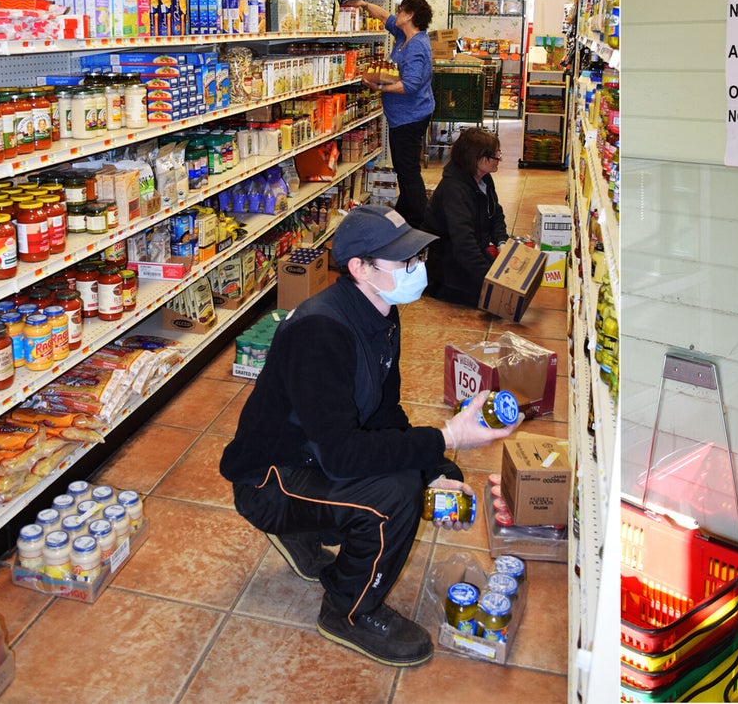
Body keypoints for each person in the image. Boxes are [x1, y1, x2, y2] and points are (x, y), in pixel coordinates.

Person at [219, 205, 519, 666]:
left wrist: (437, 468)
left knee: (411, 471)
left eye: (416, 258)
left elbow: (383, 411)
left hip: (310, 456)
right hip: (267, 480)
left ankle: (304, 531)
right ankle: (348, 612)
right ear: (359, 268)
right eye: (404, 261)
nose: (417, 270)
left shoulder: (381, 311)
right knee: (394, 496)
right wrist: (446, 437)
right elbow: (342, 456)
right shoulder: (321, 331)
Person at [347, 0, 435, 227]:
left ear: (410, 16)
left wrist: (380, 86)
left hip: (410, 118)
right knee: (404, 170)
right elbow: (384, 16)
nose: (397, 13)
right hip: (404, 117)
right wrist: (364, 5)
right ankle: (404, 219)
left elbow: (411, 85)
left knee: (408, 173)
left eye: (401, 10)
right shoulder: (404, 36)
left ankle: (423, 225)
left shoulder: (416, 47)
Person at [423, 126, 509, 307]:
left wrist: (502, 242)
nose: (499, 159)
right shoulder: (455, 190)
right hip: (448, 267)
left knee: (507, 282)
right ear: (475, 158)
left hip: (471, 253)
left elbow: (495, 212)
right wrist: (490, 278)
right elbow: (463, 244)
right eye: (494, 155)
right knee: (495, 299)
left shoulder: (484, 178)